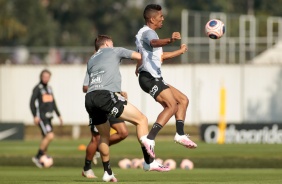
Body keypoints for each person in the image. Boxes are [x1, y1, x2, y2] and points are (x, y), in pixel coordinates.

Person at [85, 35, 169, 182]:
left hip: (90, 98)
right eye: (111, 42)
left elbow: (91, 83)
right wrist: (139, 65)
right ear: (106, 43)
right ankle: (149, 162)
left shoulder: (91, 59)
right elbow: (140, 56)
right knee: (141, 120)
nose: (113, 43)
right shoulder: (114, 50)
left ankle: (108, 172)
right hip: (105, 96)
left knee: (104, 136)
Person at [135, 4, 197, 156]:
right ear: (152, 18)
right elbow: (153, 43)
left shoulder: (151, 33)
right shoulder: (148, 33)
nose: (163, 18)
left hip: (154, 77)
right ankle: (149, 139)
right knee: (171, 106)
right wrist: (170, 40)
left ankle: (180, 135)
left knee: (182, 100)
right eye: (160, 16)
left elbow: (160, 57)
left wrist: (180, 51)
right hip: (149, 78)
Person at [81, 72, 129, 178]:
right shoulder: (93, 68)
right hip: (98, 105)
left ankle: (99, 149)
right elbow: (85, 88)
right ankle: (87, 168)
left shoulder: (109, 66)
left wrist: (119, 92)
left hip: (111, 103)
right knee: (96, 138)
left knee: (123, 132)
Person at [30, 69, 63, 168]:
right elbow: (32, 103)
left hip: (49, 117)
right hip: (42, 117)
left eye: (48, 77)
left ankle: (42, 159)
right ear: (41, 77)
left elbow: (53, 103)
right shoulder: (38, 88)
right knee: (50, 136)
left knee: (46, 137)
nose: (46, 78)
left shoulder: (49, 88)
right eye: (44, 76)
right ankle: (38, 156)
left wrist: (59, 115)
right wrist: (35, 115)